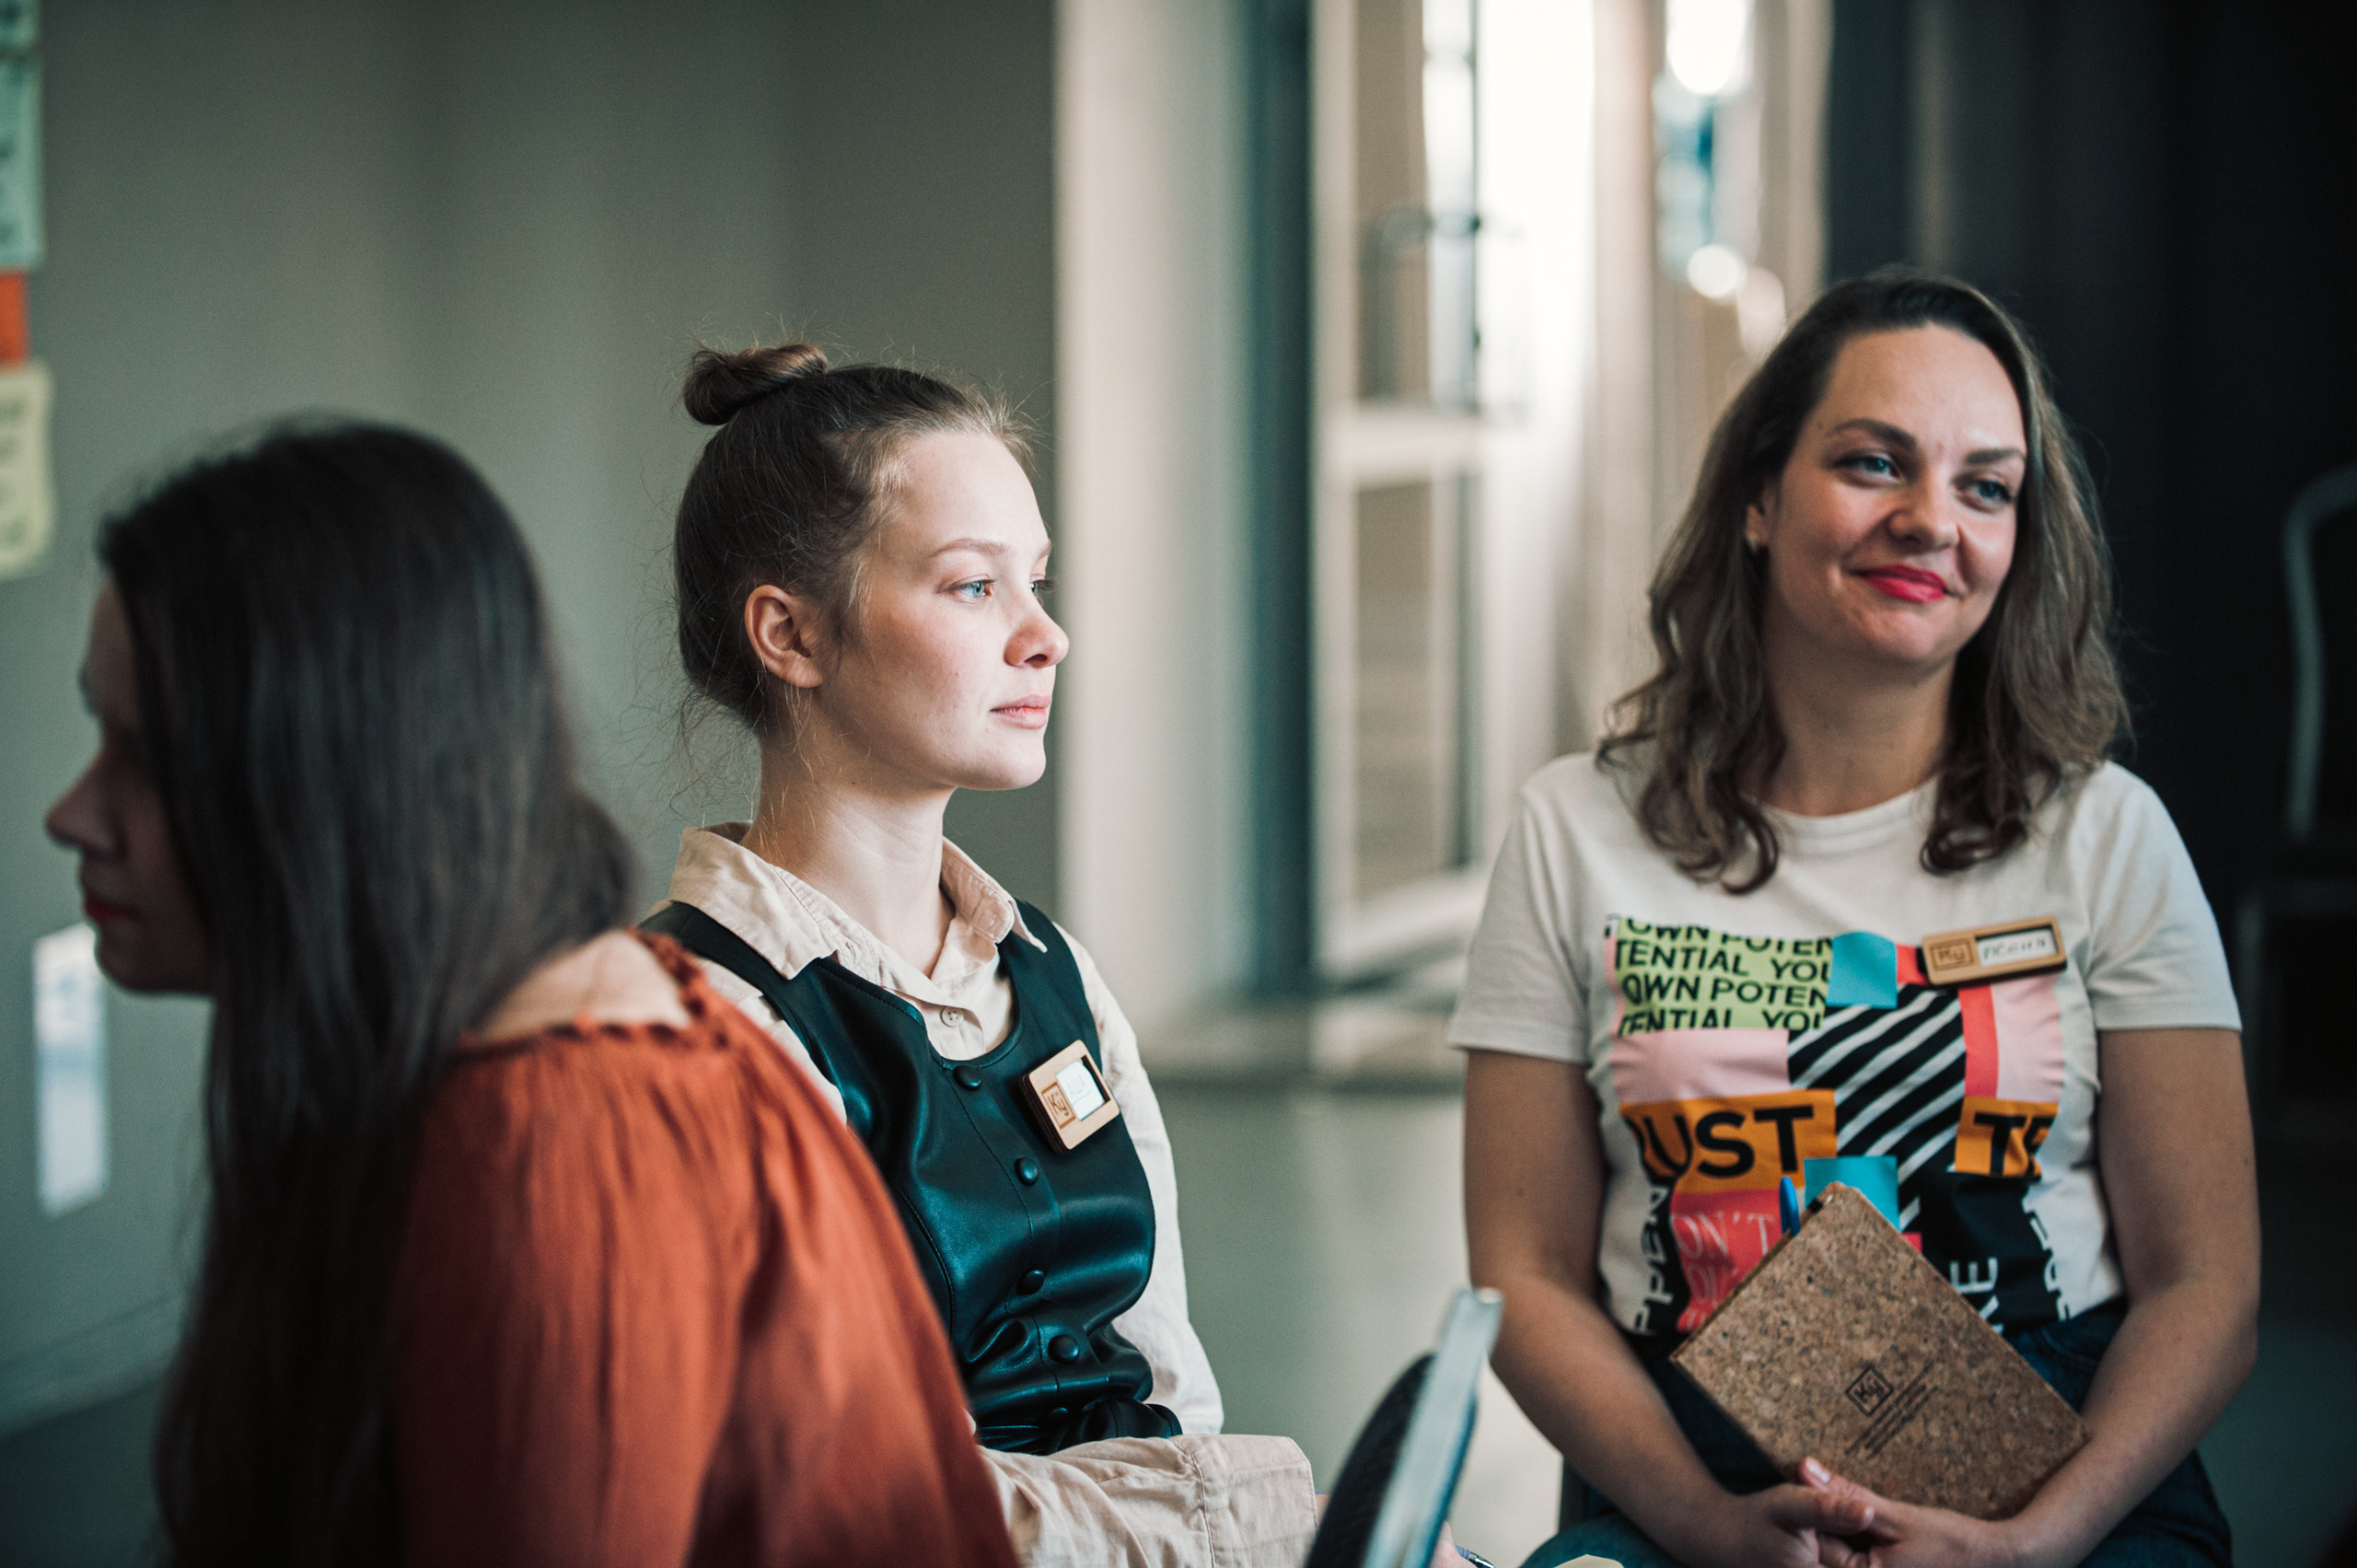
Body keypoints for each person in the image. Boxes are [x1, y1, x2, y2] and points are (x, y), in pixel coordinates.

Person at [43, 424, 1021, 1568]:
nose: (73, 812)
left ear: (328, 776)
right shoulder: (529, 1046)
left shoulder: (554, 1158)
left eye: (144, 755)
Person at [1453, 271, 2256, 1568]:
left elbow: (2207, 1288)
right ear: (1759, 499)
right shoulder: (1571, 827)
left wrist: (2030, 1545)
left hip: (2062, 1466)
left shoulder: (2107, 834)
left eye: (1987, 486)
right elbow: (1527, 1277)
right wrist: (1706, 1525)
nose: (1932, 520)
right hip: (1695, 1471)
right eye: (1876, 462)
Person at [645, 343, 1334, 1567]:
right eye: (974, 587)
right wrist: (1253, 1524)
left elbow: (1173, 1385)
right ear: (789, 635)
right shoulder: (704, 1027)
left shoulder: (1054, 971)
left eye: (1039, 581)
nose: (1047, 636)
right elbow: (855, 1514)